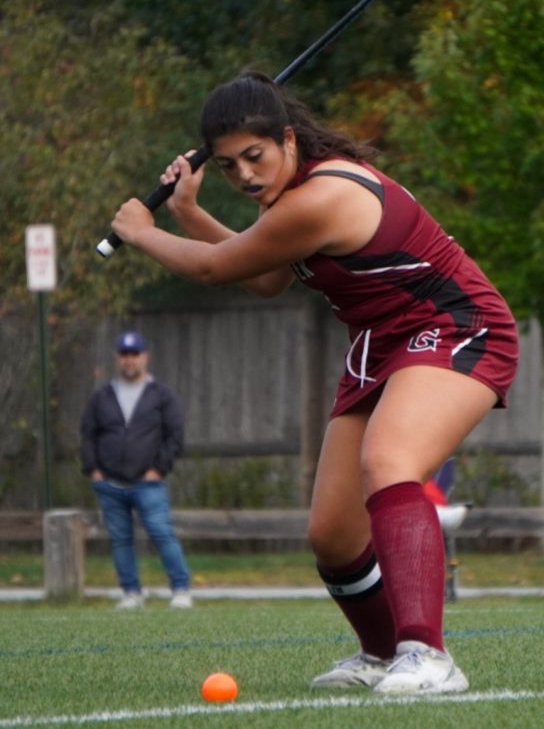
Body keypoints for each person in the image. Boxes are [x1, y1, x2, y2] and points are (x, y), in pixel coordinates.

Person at [109, 70, 519, 696]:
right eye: (227, 166)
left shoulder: (319, 197)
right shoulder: (287, 204)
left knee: (390, 462)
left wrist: (143, 231)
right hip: (381, 341)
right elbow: (268, 276)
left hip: (456, 322)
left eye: (256, 155)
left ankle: (430, 655)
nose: (245, 175)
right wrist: (189, 211)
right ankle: (383, 655)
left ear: (290, 140)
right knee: (332, 534)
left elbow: (222, 267)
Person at [80, 330, 192, 610]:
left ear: (145, 357)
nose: (129, 360)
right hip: (109, 484)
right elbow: (87, 434)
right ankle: (131, 593)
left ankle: (180, 590)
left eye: (135, 354)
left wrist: (158, 469)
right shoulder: (102, 396)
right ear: (117, 358)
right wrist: (93, 471)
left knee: (161, 533)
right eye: (124, 354)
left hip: (148, 483)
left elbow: (174, 435)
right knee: (120, 539)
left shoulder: (161, 395)